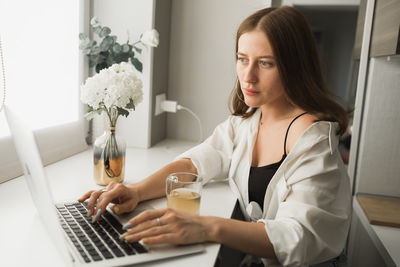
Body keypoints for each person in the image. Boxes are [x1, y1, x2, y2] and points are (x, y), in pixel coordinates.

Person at [78, 6, 351, 267]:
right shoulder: (248, 121)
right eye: (242, 59)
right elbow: (194, 164)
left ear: (295, 67)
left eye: (265, 63)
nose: (248, 76)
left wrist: (205, 226)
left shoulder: (314, 141)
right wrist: (136, 191)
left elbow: (298, 236)